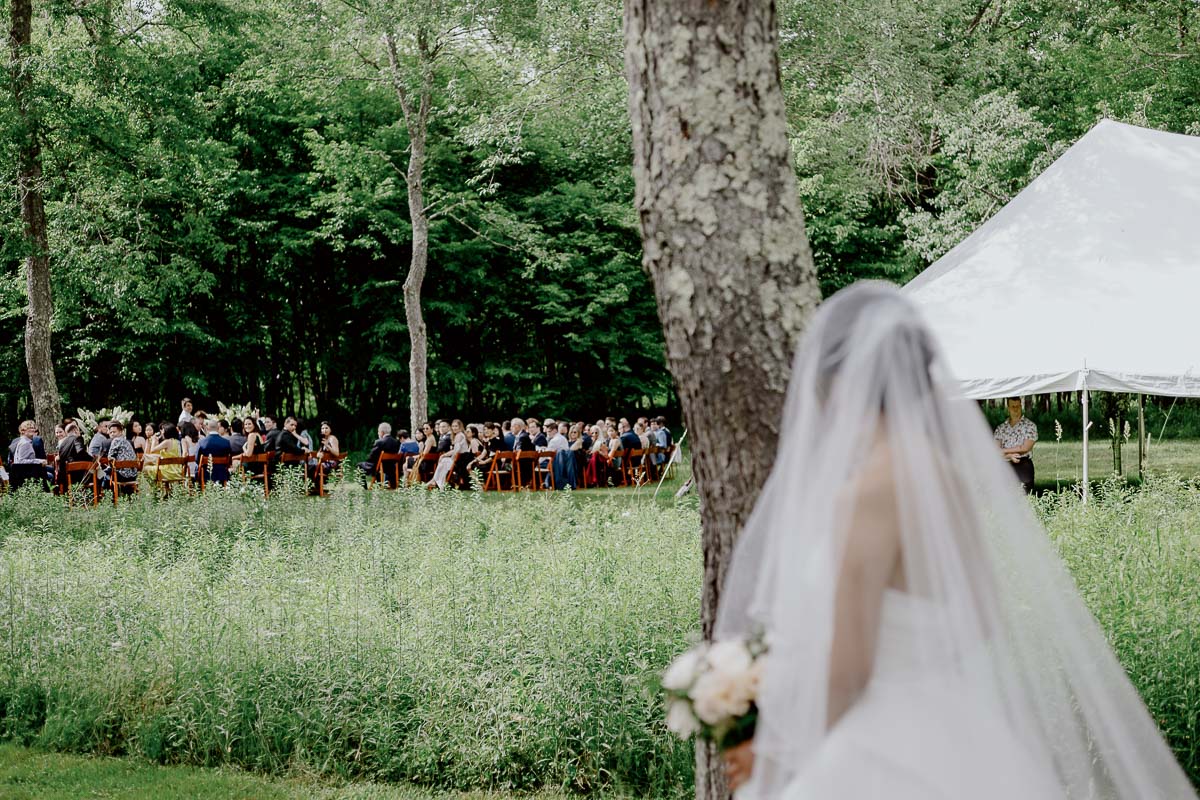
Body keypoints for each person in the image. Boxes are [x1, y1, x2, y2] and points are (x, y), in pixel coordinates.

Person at [715, 282, 1197, 800]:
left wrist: (778, 748)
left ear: (837, 384)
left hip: (878, 746)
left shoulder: (866, 491)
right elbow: (983, 614)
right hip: (958, 726)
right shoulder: (946, 475)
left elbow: (851, 667)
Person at [995, 397, 1038, 494]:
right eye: (1013, 406)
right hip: (1004, 464)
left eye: (1018, 406)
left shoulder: (1030, 426)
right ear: (1008, 408)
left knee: (1024, 495)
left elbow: (1025, 448)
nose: (1015, 409)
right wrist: (1009, 456)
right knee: (1004, 495)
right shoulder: (1001, 428)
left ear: (1021, 406)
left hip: (1023, 464)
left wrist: (1003, 451)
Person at [9, 420, 48, 491]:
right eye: (29, 428)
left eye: (33, 428)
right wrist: (39, 461)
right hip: (25, 474)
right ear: (23, 431)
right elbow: (21, 461)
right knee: (50, 475)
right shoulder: (25, 443)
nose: (32, 429)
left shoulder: (25, 441)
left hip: (22, 472)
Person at [428, 419, 467, 489]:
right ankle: (436, 481)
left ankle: (436, 482)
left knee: (444, 460)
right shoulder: (457, 435)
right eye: (453, 426)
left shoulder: (459, 436)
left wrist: (444, 455)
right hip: (458, 458)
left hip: (461, 460)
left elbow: (456, 450)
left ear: (460, 427)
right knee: (444, 460)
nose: (454, 428)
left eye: (456, 426)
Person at [196, 419, 233, 486]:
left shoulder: (202, 442)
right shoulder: (226, 442)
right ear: (218, 428)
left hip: (206, 474)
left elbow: (197, 460)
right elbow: (229, 460)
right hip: (222, 474)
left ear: (207, 428)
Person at [105, 421, 139, 489]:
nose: (112, 434)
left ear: (120, 432)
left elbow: (110, 458)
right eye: (111, 432)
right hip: (133, 475)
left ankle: (107, 496)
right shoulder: (128, 442)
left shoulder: (116, 440)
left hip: (123, 475)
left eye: (114, 432)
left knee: (103, 474)